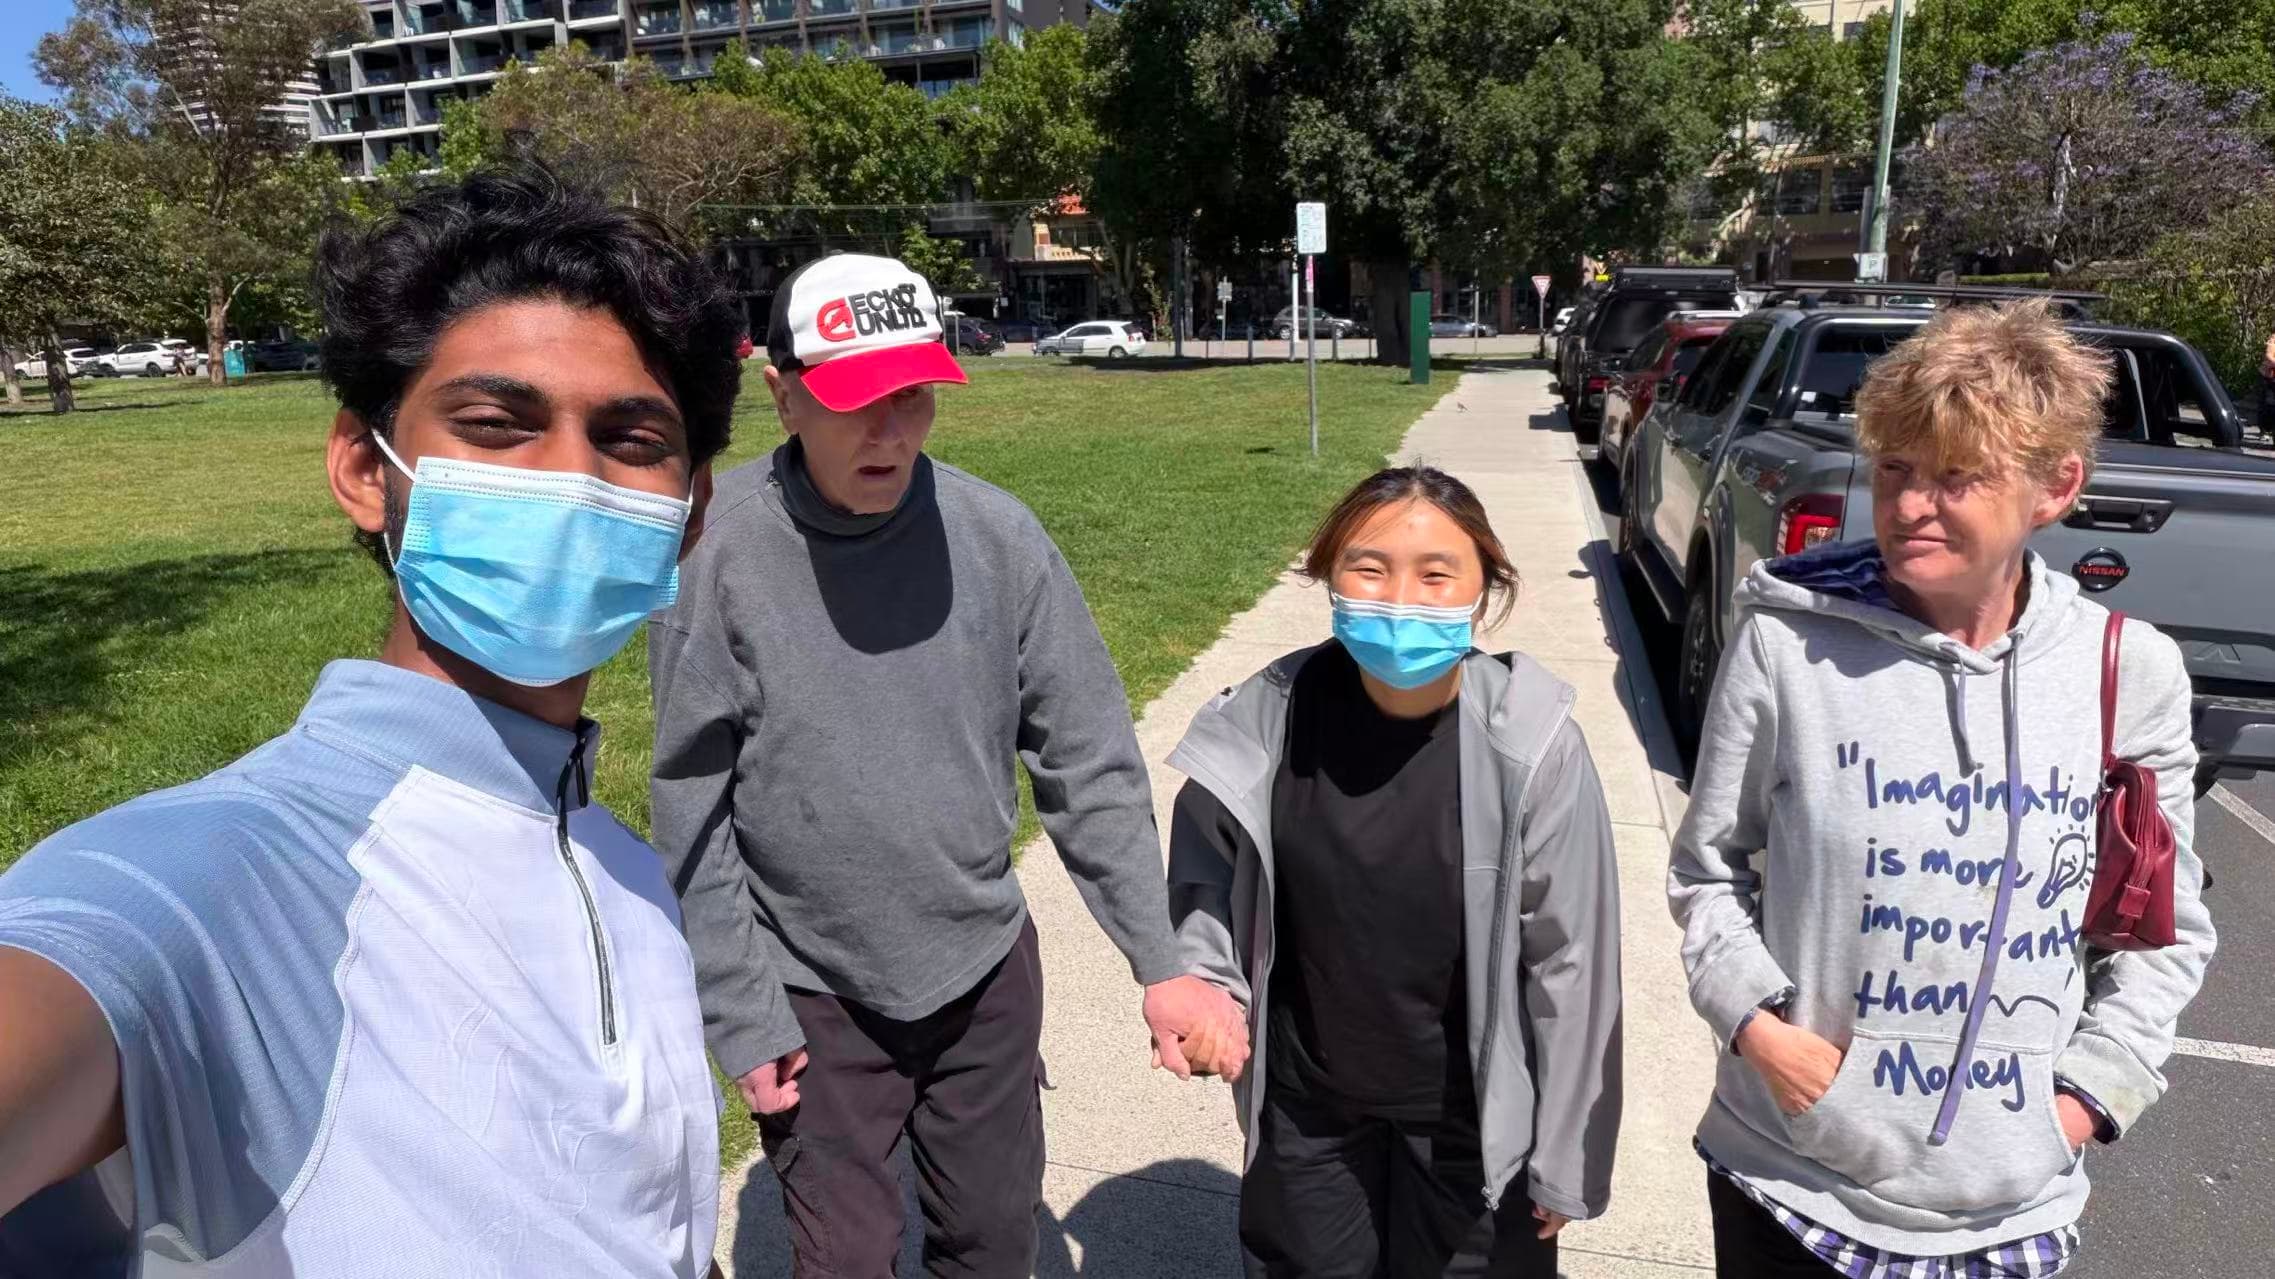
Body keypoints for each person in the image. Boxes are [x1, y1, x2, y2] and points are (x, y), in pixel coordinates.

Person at [0, 166, 743, 1278]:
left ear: (687, 517)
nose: (572, 477)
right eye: (498, 424)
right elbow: (73, 976)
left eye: (633, 440)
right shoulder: (211, 878)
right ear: (363, 467)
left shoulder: (623, 865)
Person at [648, 252, 1244, 1275]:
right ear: (783, 394)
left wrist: (1160, 960)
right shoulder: (718, 555)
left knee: (991, 1238)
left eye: (914, 396)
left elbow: (1089, 763)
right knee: (847, 1256)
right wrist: (741, 1009)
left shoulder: (998, 538)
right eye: (854, 400)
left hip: (978, 975)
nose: (889, 431)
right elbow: (690, 806)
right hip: (813, 986)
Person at [1669, 299, 2217, 1277]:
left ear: (2055, 488)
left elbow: (2163, 928)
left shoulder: (2125, 670)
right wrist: (1758, 1028)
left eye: (1955, 477)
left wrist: (2087, 1097)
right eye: (1893, 470)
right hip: (1789, 1181)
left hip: (2006, 1210)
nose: (1910, 505)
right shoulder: (1786, 646)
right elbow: (1707, 871)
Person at [1165, 466, 1624, 1277]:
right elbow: (1205, 878)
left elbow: (1573, 965)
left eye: (1435, 573)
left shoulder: (1534, 747)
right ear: (1327, 574)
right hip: (1308, 1109)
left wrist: (1565, 1153)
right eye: (1368, 567)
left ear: (1484, 590)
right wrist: (1208, 985)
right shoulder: (1261, 719)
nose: (1399, 598)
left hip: (1471, 1128)